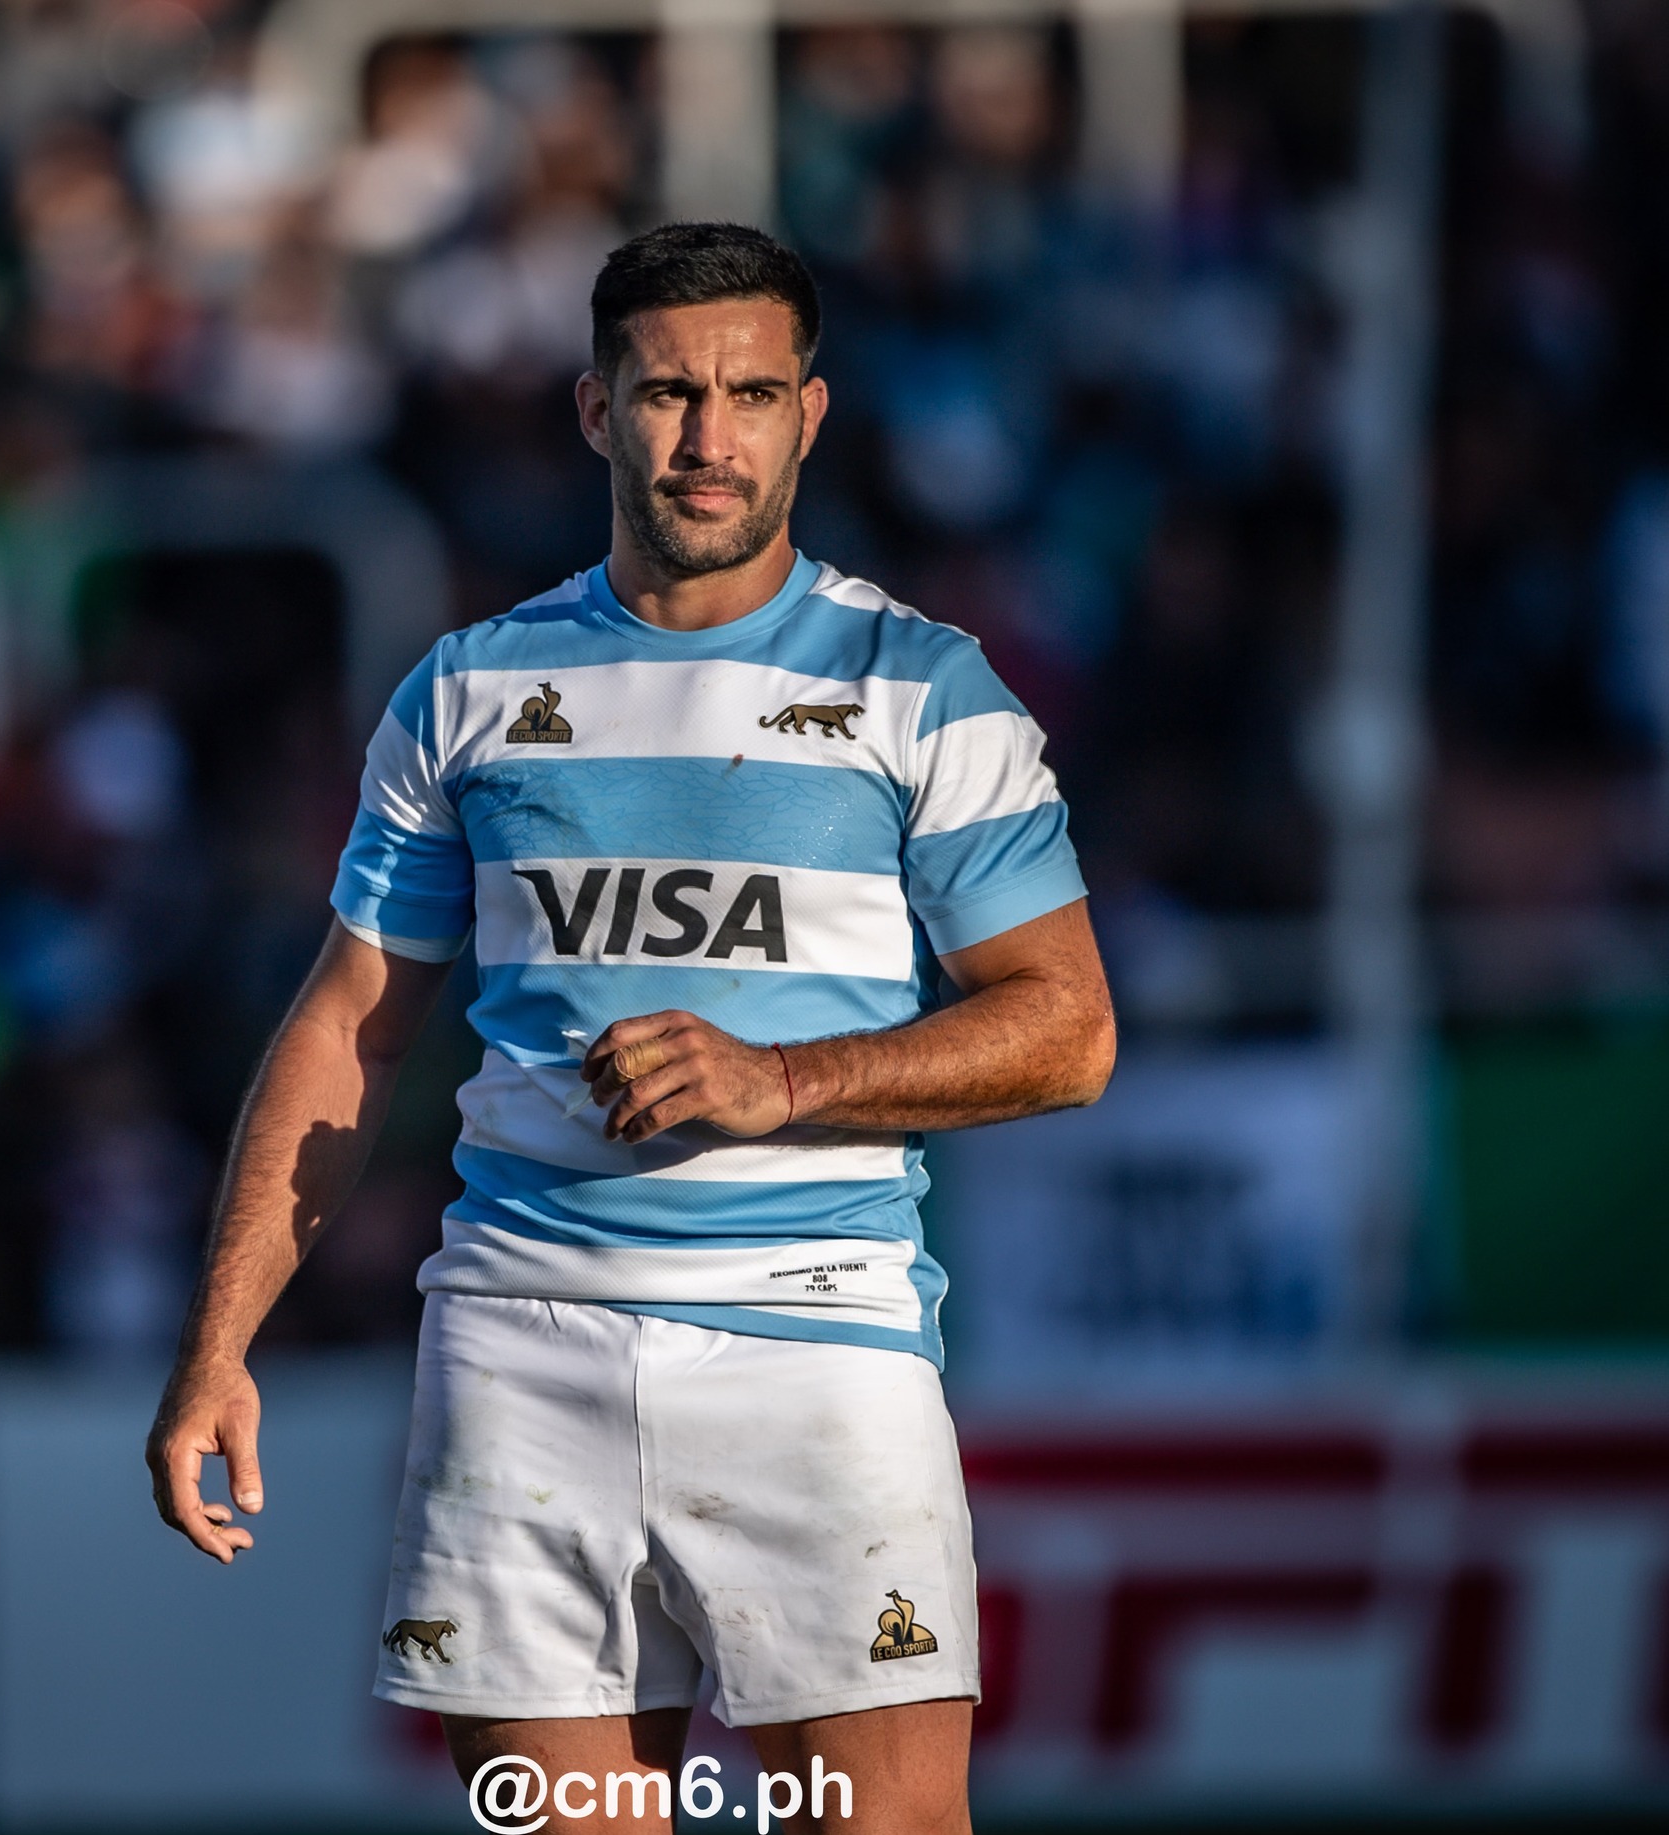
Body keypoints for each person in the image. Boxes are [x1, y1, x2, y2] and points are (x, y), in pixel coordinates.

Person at [147, 222, 1114, 1835]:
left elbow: (1067, 1034)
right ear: (596, 409)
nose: (708, 437)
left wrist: (787, 1080)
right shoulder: (465, 691)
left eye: (749, 394)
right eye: (667, 393)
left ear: (813, 414)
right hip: (519, 1343)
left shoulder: (926, 692)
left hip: (814, 1340)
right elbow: (349, 1033)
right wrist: (218, 1340)